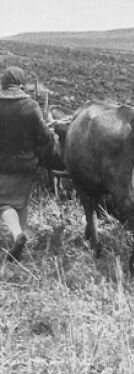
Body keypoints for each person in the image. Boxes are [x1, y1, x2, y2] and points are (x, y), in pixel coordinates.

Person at [0, 66, 55, 262]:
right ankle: (21, 241)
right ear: (21, 82)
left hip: (3, 166)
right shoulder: (30, 106)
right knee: (21, 202)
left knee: (3, 204)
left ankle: (17, 235)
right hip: (27, 165)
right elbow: (45, 137)